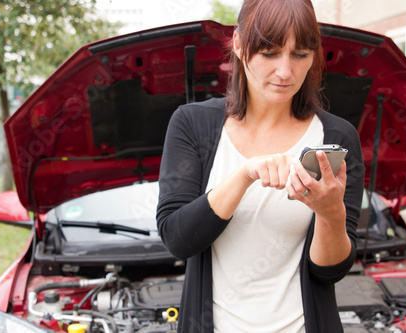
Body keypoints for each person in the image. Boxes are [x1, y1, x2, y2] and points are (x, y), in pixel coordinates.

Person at [156, 0, 365, 332]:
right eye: (269, 53)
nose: (285, 71)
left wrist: (330, 213)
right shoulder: (192, 124)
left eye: (300, 54)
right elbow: (178, 239)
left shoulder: (337, 136)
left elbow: (330, 271)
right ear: (239, 45)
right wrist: (244, 175)